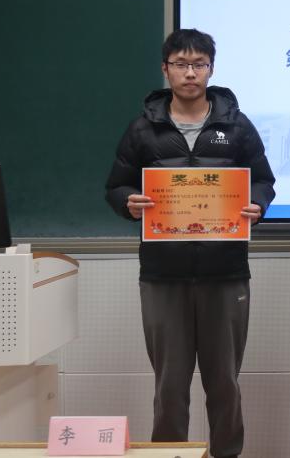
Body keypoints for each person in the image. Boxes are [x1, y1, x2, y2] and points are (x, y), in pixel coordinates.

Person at [105, 29, 275, 458]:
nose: (190, 73)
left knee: (225, 384)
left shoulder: (237, 126)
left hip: (225, 272)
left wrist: (257, 202)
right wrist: (128, 202)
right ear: (165, 70)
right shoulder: (143, 129)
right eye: (181, 64)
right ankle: (170, 454)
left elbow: (263, 180)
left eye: (199, 64)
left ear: (211, 69)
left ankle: (227, 453)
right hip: (163, 275)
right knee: (169, 385)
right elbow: (116, 186)